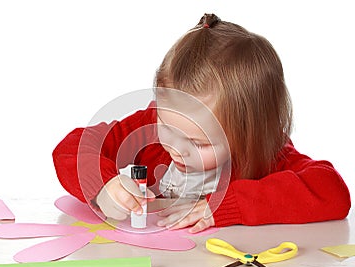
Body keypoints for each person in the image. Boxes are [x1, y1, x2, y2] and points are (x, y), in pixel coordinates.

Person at [52, 13, 351, 233]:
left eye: (199, 143)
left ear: (249, 135)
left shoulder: (267, 156)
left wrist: (225, 205)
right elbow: (72, 148)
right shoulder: (150, 123)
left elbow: (333, 191)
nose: (176, 148)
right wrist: (104, 187)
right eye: (167, 127)